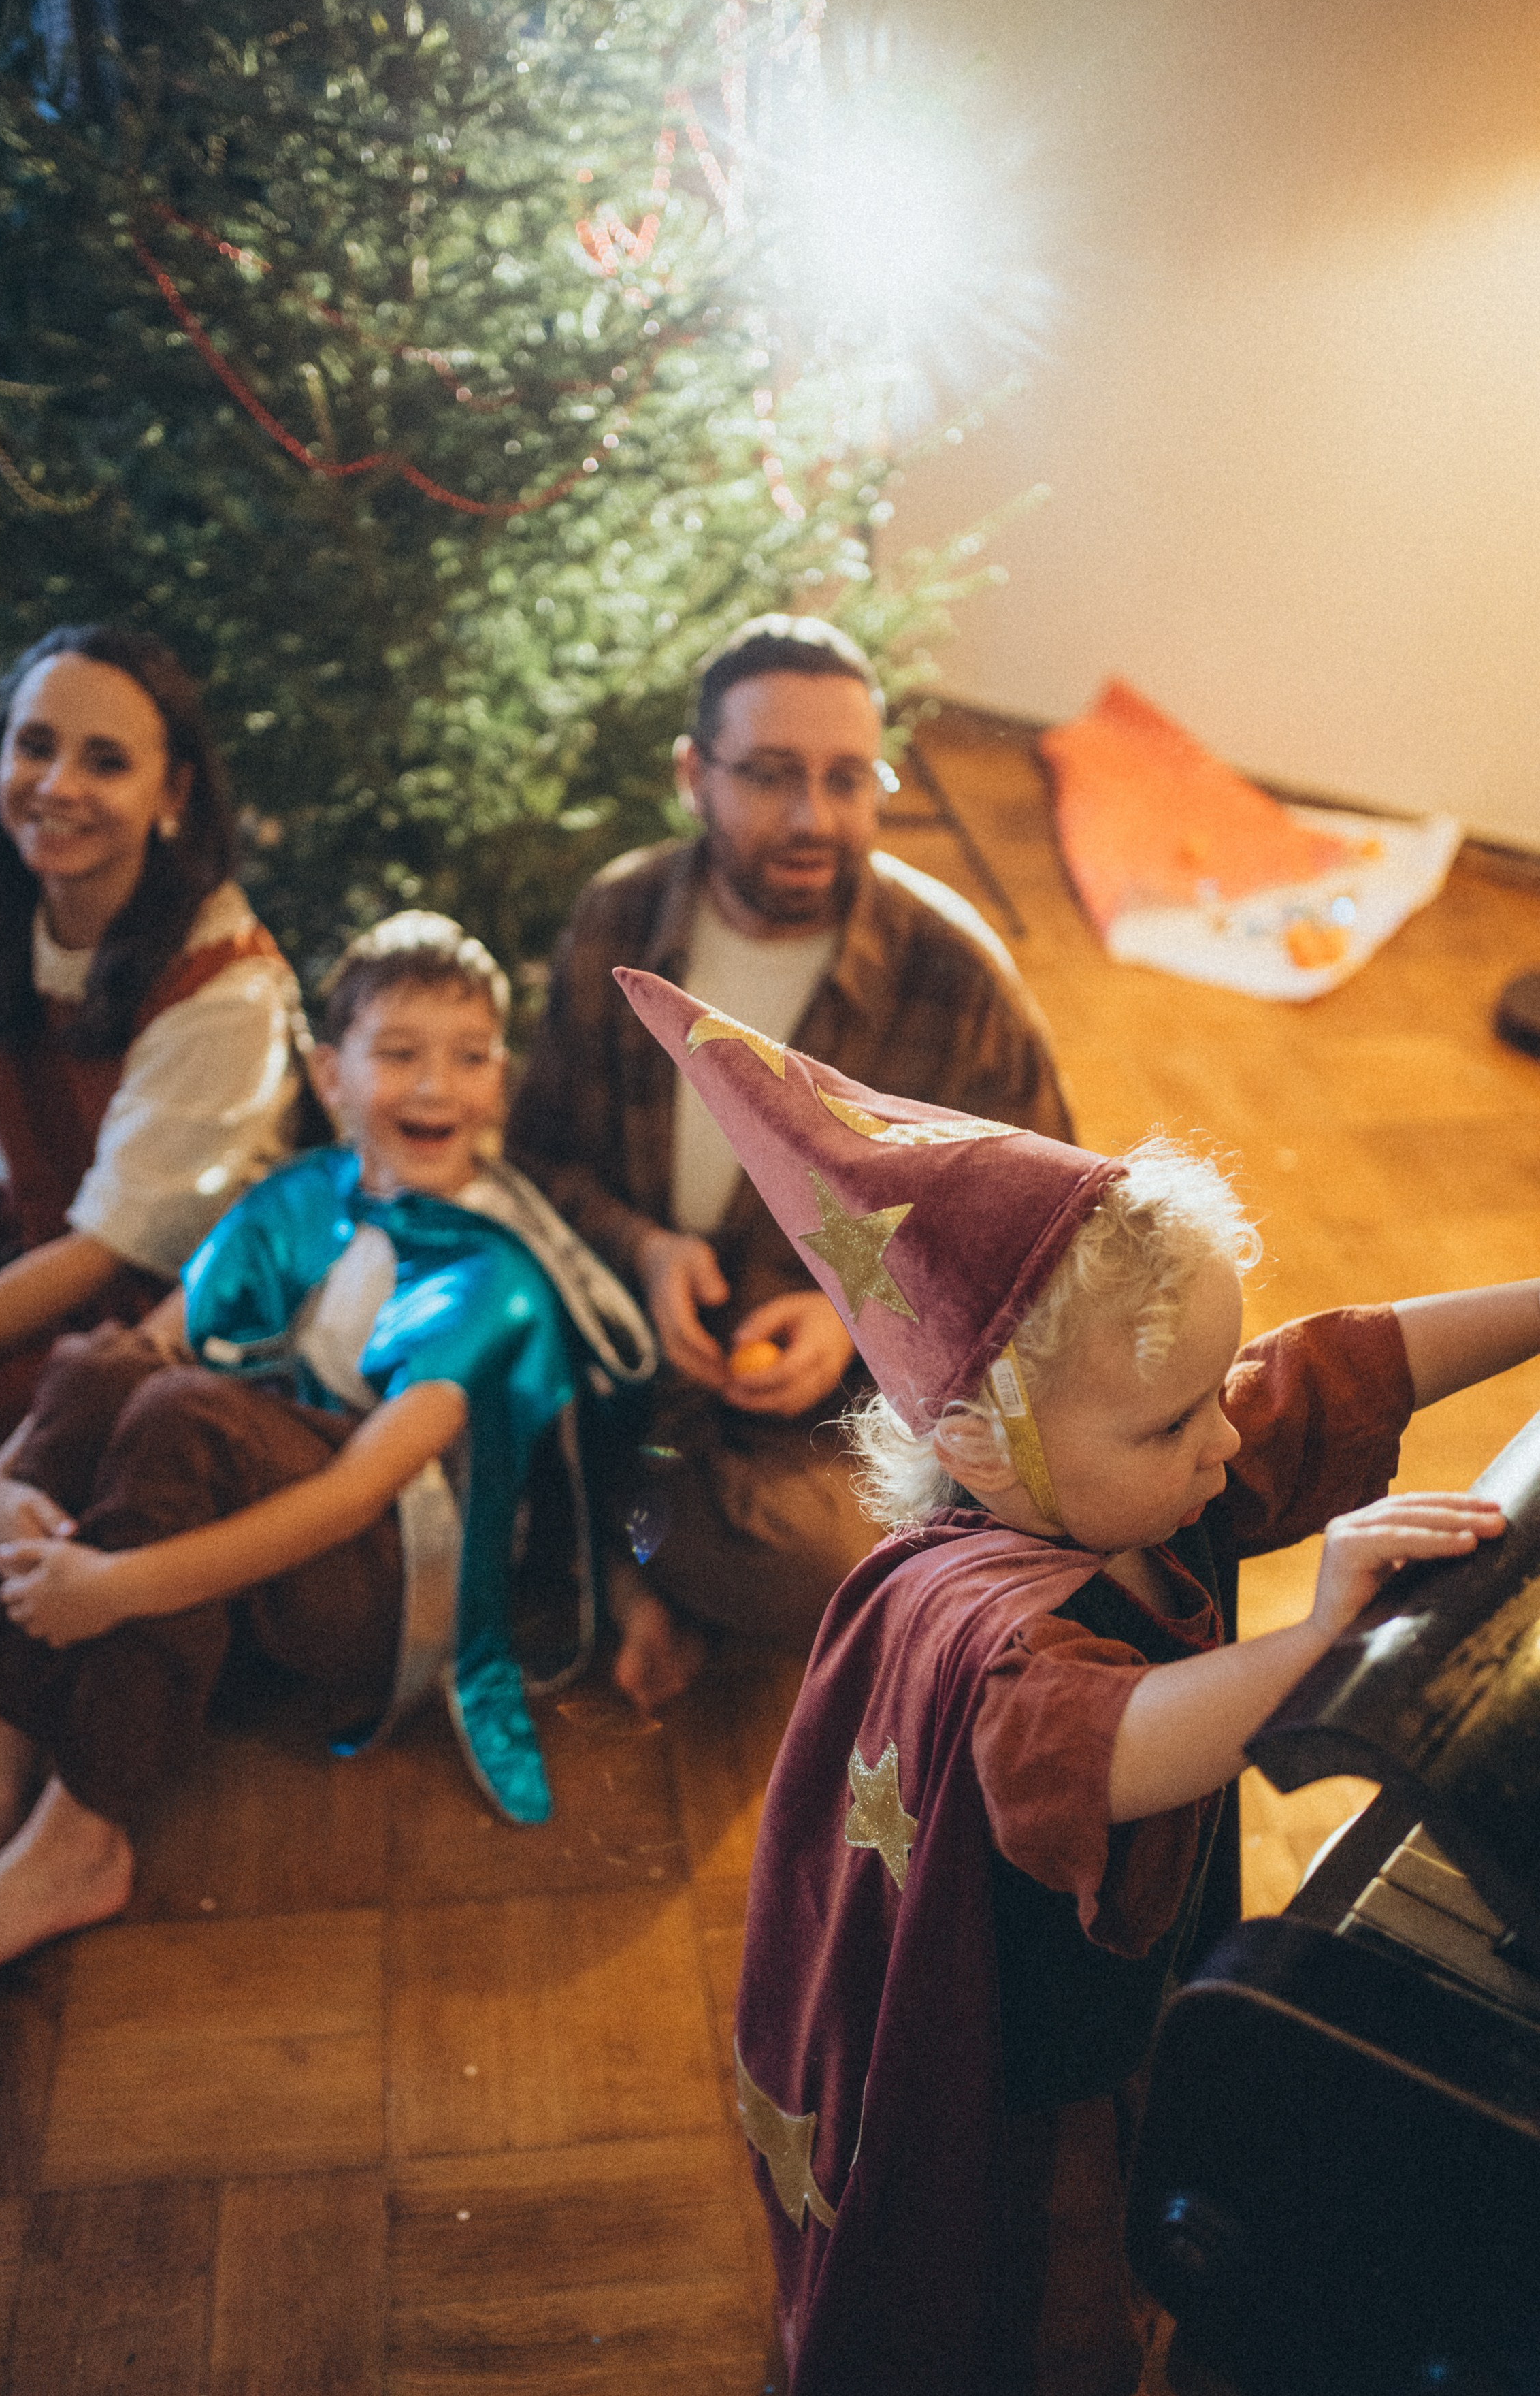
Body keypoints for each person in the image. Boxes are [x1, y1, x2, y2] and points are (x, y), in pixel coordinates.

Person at [615, 962, 1539, 2396]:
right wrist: (1318, 1639)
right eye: (1180, 1417)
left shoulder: (1126, 1471)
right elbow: (1099, 1744)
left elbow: (1336, 1367)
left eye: (1215, 1396)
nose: (1223, 1444)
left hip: (1122, 2016)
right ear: (986, 1447)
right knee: (1037, 2323)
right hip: (1018, 2089)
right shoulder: (979, 1620)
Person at [0, 913, 654, 1977]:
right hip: (269, 1529)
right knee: (105, 1368)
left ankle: (81, 1833)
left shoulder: (495, 1272)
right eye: (398, 1053)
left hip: (391, 1582)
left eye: (469, 1055)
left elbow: (358, 1492)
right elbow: (139, 1347)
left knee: (181, 1414)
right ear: (331, 1075)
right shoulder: (301, 1198)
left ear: (500, 1080)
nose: (434, 1086)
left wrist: (118, 1584)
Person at [507, 613, 1073, 1712]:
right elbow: (534, 1157)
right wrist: (646, 1248)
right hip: (617, 1333)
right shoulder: (616, 917)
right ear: (692, 775)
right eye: (770, 777)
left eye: (848, 778)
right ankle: (633, 1535)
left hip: (834, 1406)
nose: (814, 817)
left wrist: (859, 1316)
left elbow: (1044, 1235)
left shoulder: (955, 975)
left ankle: (609, 1538)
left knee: (839, 1565)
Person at [0, 624, 304, 1574]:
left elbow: (105, 1253)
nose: (57, 787)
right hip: (31, 1248)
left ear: (172, 796)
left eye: (107, 761)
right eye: (35, 745)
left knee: (28, 1404)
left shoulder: (224, 983)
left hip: (152, 1312)